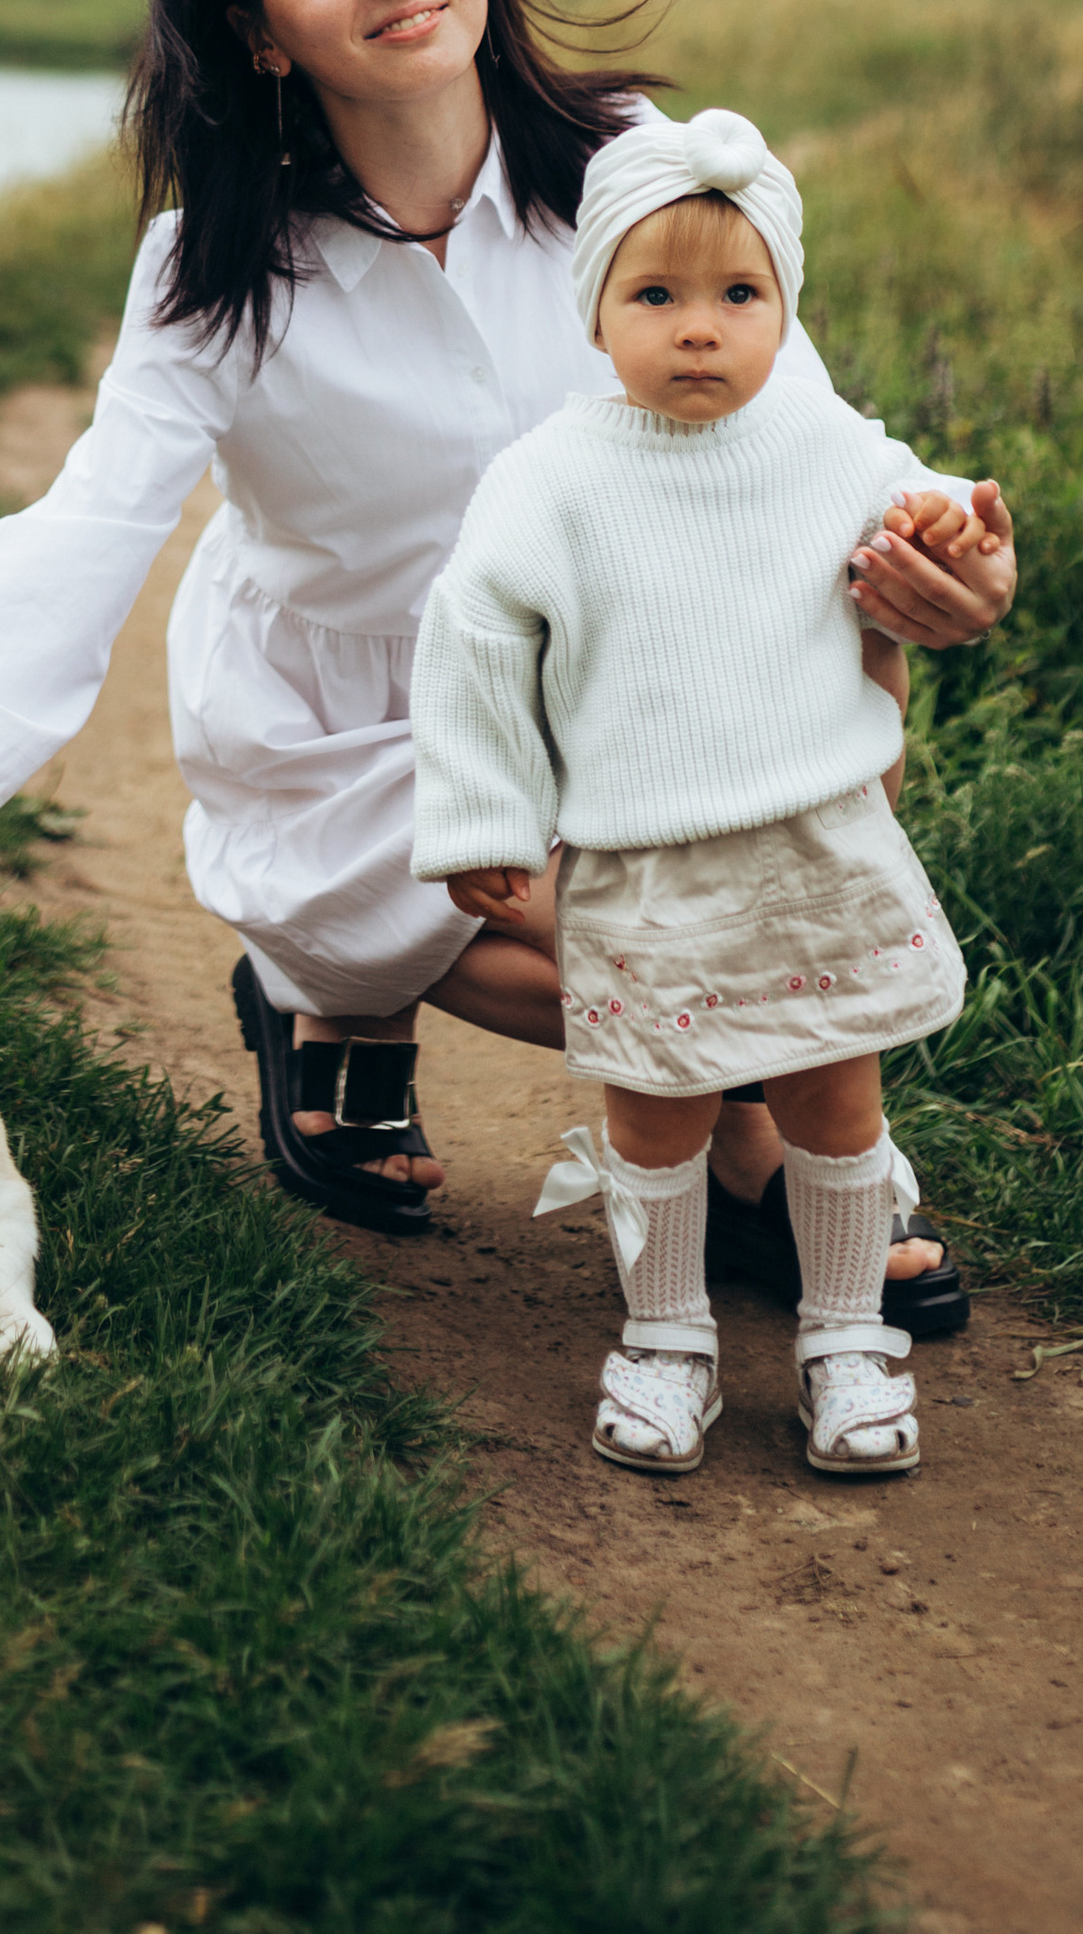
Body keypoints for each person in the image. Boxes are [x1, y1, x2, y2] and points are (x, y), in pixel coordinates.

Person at [0, 0, 1015, 1321]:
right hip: (357, 728)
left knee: (758, 866)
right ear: (263, 32)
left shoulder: (633, 168)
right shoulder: (216, 272)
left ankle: (742, 1156)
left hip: (628, 683)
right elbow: (71, 551)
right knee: (652, 926)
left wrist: (938, 542)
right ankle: (333, 995)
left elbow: (800, 427)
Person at [410, 106, 1000, 1478]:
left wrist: (958, 525)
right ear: (595, 313)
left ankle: (847, 1334)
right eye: (656, 297)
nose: (699, 330)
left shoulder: (824, 442)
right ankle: (667, 1333)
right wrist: (485, 816)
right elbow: (477, 643)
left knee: (833, 1099)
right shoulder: (550, 480)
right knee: (657, 1108)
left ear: (785, 311)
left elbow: (923, 505)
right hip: (643, 864)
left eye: (740, 296)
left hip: (816, 850)